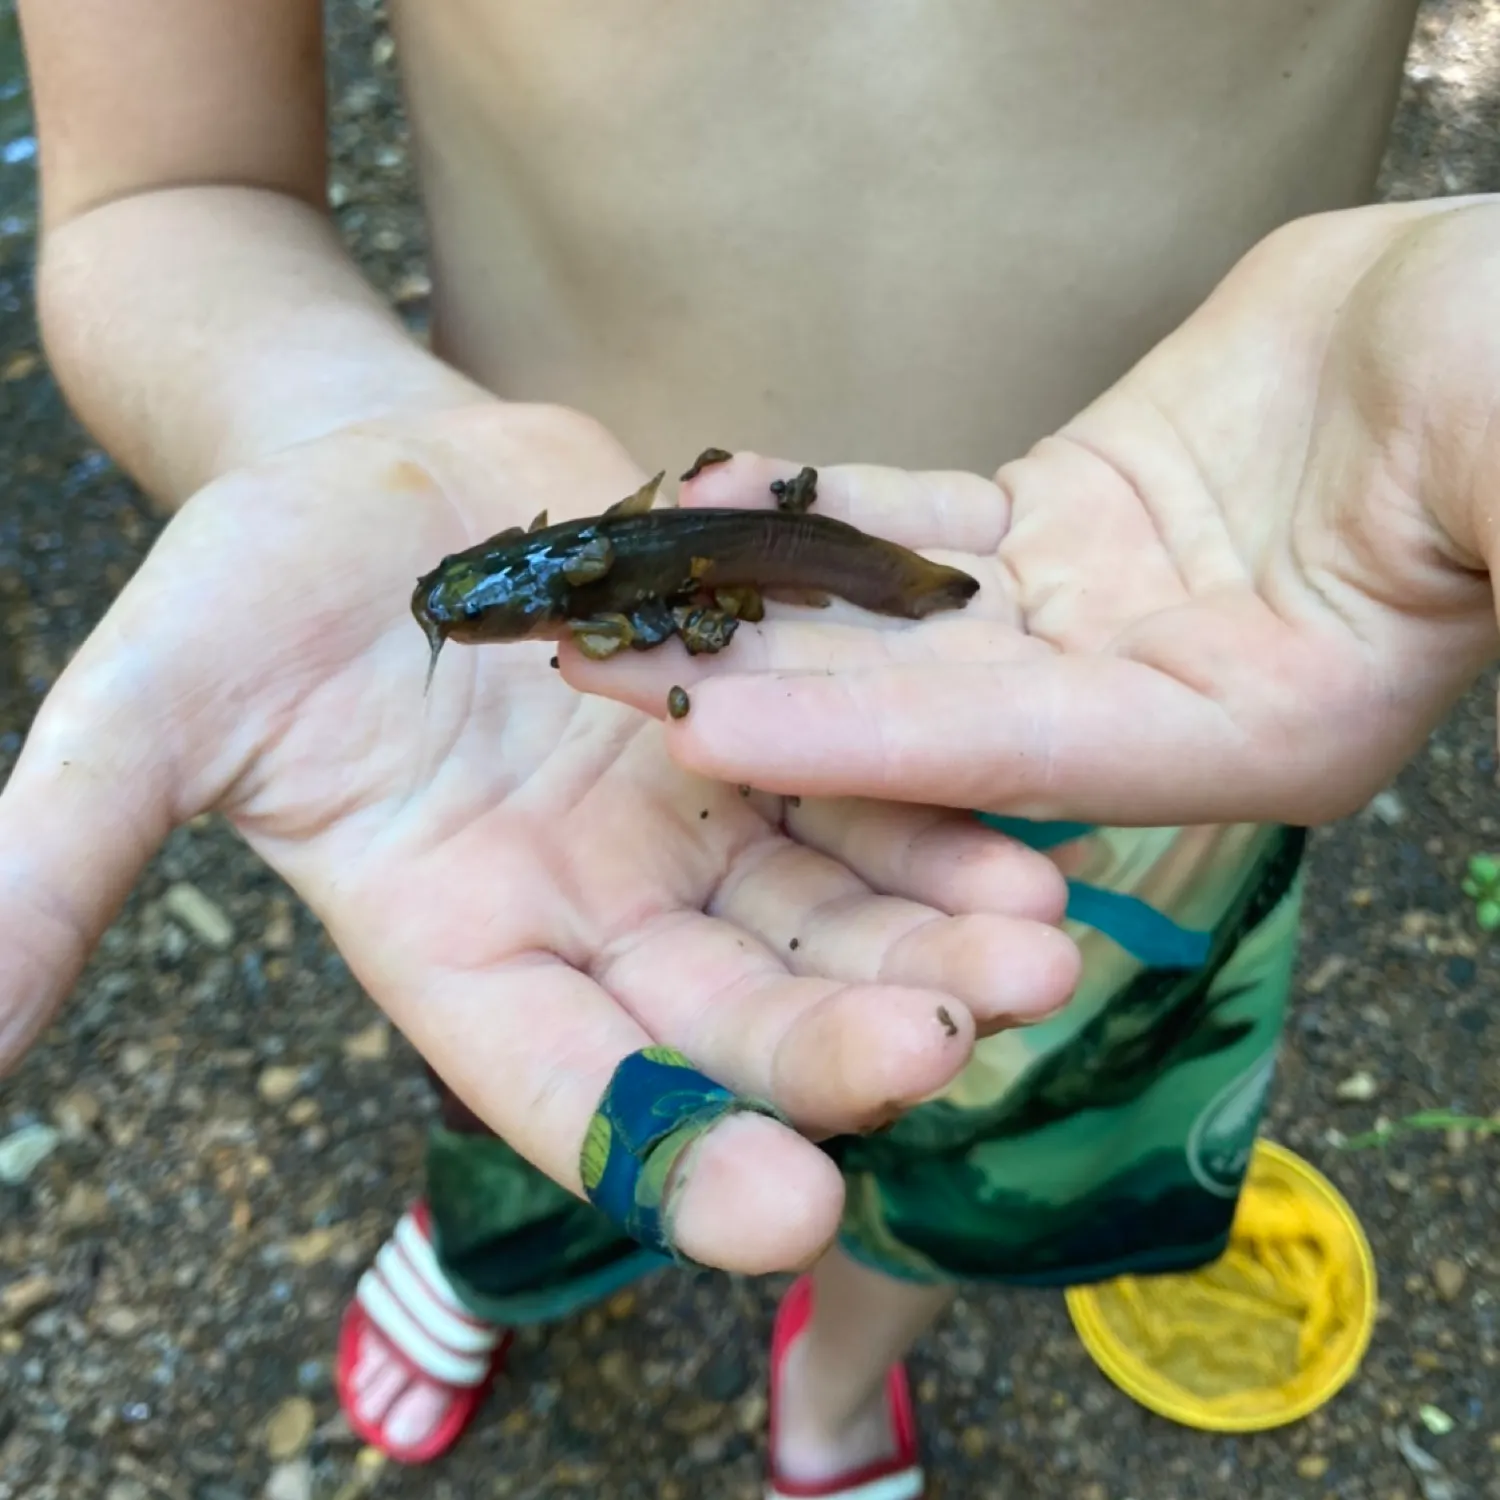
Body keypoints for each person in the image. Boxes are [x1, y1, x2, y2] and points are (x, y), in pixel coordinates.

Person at [8, 3, 1497, 1496]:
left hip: (1156, 686)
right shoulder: (540, 628)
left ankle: (842, 1373)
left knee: (987, 1088)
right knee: (560, 1084)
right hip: (571, 789)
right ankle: (507, 1251)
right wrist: (341, 423)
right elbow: (166, 189)